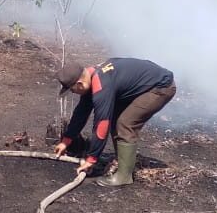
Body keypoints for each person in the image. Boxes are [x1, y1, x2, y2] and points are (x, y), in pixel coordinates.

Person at [52, 58, 176, 186]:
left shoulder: (102, 86)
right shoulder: (92, 76)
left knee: (125, 124)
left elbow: (102, 125)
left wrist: (91, 159)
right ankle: (122, 161)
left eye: (72, 90)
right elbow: (81, 113)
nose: (74, 93)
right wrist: (66, 141)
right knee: (117, 118)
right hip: (146, 84)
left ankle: (124, 176)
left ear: (79, 84)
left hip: (160, 87)